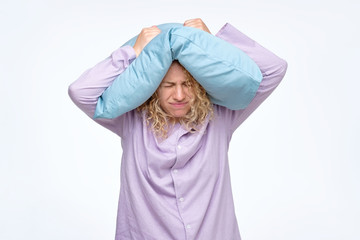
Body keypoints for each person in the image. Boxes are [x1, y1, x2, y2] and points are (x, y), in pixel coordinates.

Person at [68, 18, 287, 240]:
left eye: (188, 84)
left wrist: (213, 42)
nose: (180, 95)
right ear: (154, 87)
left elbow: (274, 69)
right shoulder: (131, 120)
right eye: (169, 86)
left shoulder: (220, 116)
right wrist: (133, 51)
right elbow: (81, 92)